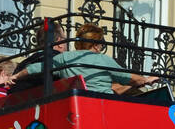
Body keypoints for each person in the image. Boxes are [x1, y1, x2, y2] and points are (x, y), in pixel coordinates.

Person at [16, 21, 150, 94]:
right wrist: (147, 79)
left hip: (77, 105)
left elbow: (37, 67)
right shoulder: (104, 60)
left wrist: (14, 76)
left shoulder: (66, 58)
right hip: (104, 105)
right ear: (97, 45)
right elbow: (131, 79)